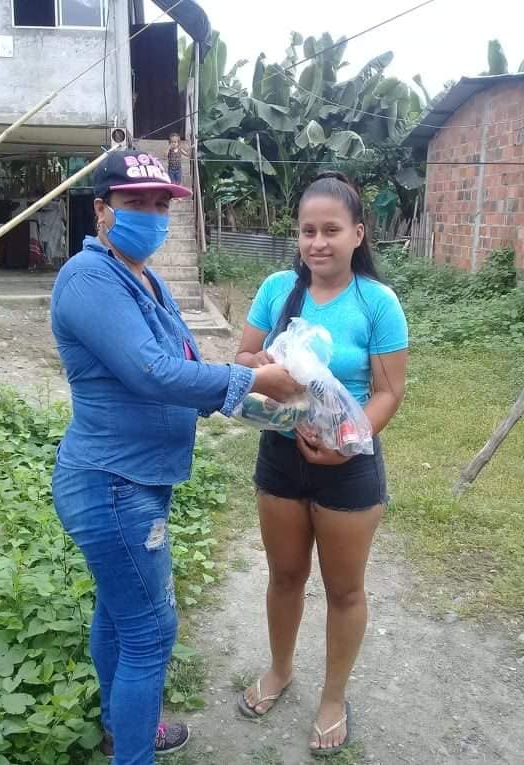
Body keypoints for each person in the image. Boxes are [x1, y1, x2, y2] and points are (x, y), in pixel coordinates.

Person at [50, 150, 303, 765]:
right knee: (150, 631)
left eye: (161, 204)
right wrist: (252, 382)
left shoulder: (145, 279)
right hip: (112, 482)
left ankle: (121, 730)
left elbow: (183, 364)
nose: (152, 214)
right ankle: (133, 750)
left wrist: (249, 376)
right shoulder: (88, 278)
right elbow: (151, 372)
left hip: (135, 478)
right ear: (102, 210)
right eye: (135, 202)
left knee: (119, 613)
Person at [235, 172, 408, 757]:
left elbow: (388, 392)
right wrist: (263, 362)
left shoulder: (377, 303)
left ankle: (333, 698)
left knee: (344, 590)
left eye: (331, 230)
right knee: (284, 575)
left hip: (350, 466)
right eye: (308, 231)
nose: (318, 242)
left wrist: (347, 443)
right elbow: (242, 357)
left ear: (357, 234)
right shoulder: (278, 289)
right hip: (281, 458)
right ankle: (280, 669)